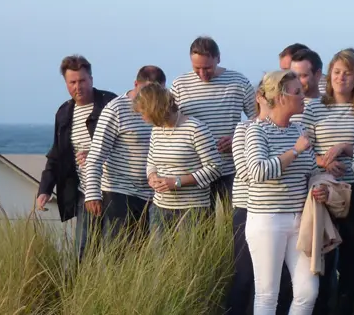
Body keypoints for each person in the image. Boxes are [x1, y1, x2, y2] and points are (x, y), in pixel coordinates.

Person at [244, 70, 322, 315]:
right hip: (265, 220)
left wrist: (321, 185)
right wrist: (296, 152)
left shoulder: (300, 129)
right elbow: (258, 172)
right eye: (297, 91)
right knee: (268, 295)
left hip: (297, 220)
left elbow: (311, 171)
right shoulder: (255, 131)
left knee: (307, 290)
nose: (303, 96)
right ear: (280, 97)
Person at [302, 50, 354, 315]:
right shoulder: (315, 108)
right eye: (337, 72)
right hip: (325, 193)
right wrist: (321, 160)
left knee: (353, 263)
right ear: (329, 75)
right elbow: (303, 147)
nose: (341, 77)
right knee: (323, 260)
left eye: (348, 72)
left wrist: (344, 148)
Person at [36, 54, 117, 260]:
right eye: (72, 82)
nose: (77, 87)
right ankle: (80, 291)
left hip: (114, 189)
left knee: (114, 252)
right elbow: (57, 153)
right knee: (82, 252)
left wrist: (96, 153)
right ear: (66, 83)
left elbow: (130, 146)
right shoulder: (64, 112)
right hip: (84, 191)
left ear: (91, 79)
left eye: (82, 81)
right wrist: (45, 189)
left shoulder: (111, 104)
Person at [82, 65, 166, 245]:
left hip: (154, 195)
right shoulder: (116, 109)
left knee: (146, 255)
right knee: (119, 253)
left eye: (157, 91)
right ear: (136, 84)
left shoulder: (163, 109)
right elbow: (96, 154)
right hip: (119, 193)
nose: (152, 97)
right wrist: (92, 194)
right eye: (147, 90)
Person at [170, 36, 256, 207]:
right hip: (194, 170)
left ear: (218, 58)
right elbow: (172, 123)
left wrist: (237, 140)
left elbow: (258, 118)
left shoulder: (238, 81)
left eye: (207, 68)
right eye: (197, 68)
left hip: (231, 167)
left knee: (233, 223)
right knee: (199, 226)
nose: (202, 74)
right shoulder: (180, 84)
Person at [221, 89, 271, 315]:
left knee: (276, 281)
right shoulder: (245, 129)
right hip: (248, 209)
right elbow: (247, 171)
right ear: (261, 98)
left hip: (279, 211)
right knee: (244, 275)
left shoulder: (289, 128)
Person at [136, 82, 222, 236]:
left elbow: (214, 168)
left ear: (154, 108)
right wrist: (152, 176)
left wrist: (177, 182)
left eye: (144, 113)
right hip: (159, 207)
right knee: (159, 259)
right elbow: (151, 161)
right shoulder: (156, 130)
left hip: (192, 209)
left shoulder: (195, 128)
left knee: (192, 258)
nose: (142, 118)